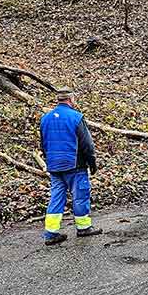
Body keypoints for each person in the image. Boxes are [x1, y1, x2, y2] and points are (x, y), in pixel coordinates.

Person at [40, 87, 102, 246]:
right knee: (80, 195)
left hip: (54, 166)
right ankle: (83, 227)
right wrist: (92, 162)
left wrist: (49, 160)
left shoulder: (45, 118)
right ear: (71, 99)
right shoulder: (76, 117)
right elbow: (87, 144)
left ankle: (51, 233)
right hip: (75, 165)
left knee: (56, 197)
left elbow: (43, 143)